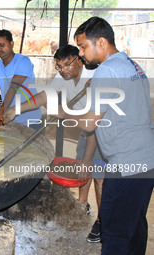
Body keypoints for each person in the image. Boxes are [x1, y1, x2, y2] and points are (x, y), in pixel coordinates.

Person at [56, 17, 154, 254]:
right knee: (135, 226)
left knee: (114, 233)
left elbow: (90, 124)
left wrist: (63, 113)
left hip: (126, 165)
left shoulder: (107, 71)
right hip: (146, 161)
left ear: (101, 42)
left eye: (83, 47)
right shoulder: (132, 65)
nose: (81, 54)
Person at [5, 44, 106, 243]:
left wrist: (87, 160)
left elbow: (93, 129)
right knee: (81, 162)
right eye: (58, 67)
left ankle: (102, 222)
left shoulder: (94, 77)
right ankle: (82, 203)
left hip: (102, 128)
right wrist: (16, 109)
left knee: (98, 175)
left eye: (66, 65)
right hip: (85, 127)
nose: (62, 70)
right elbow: (44, 96)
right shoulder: (65, 75)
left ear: (79, 59)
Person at [0, 29, 41, 130]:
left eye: (2, 45)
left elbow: (13, 88)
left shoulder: (23, 61)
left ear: (11, 44)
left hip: (30, 117)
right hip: (9, 118)